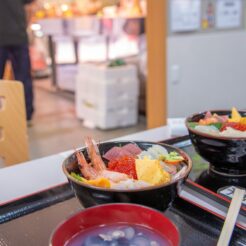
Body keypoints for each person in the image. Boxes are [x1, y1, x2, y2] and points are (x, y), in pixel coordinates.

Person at [0, 0, 34, 121]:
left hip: (14, 37)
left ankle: (25, 113)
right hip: (18, 35)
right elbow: (30, 6)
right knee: (23, 77)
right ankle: (26, 113)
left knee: (23, 78)